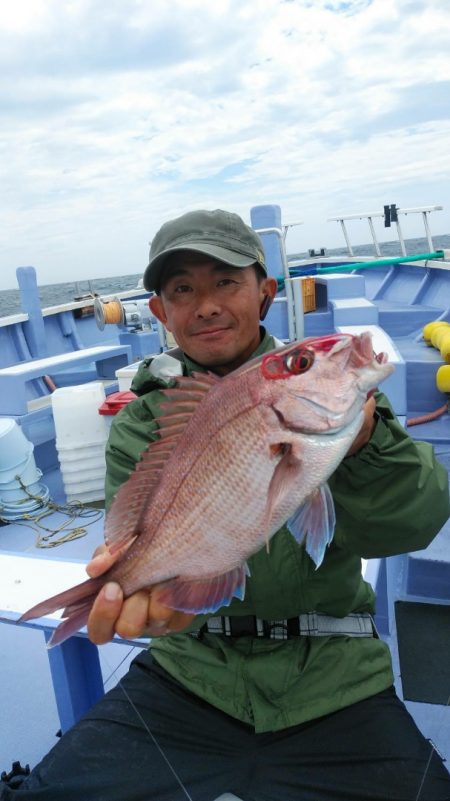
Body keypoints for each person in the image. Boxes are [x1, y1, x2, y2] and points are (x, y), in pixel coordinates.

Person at [3, 209, 450, 801]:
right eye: (182, 289)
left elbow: (411, 523)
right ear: (160, 313)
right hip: (190, 675)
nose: (206, 304)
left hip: (334, 675)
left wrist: (366, 443)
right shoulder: (144, 421)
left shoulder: (341, 406)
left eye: (225, 282)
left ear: (265, 293)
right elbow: (139, 538)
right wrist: (149, 596)